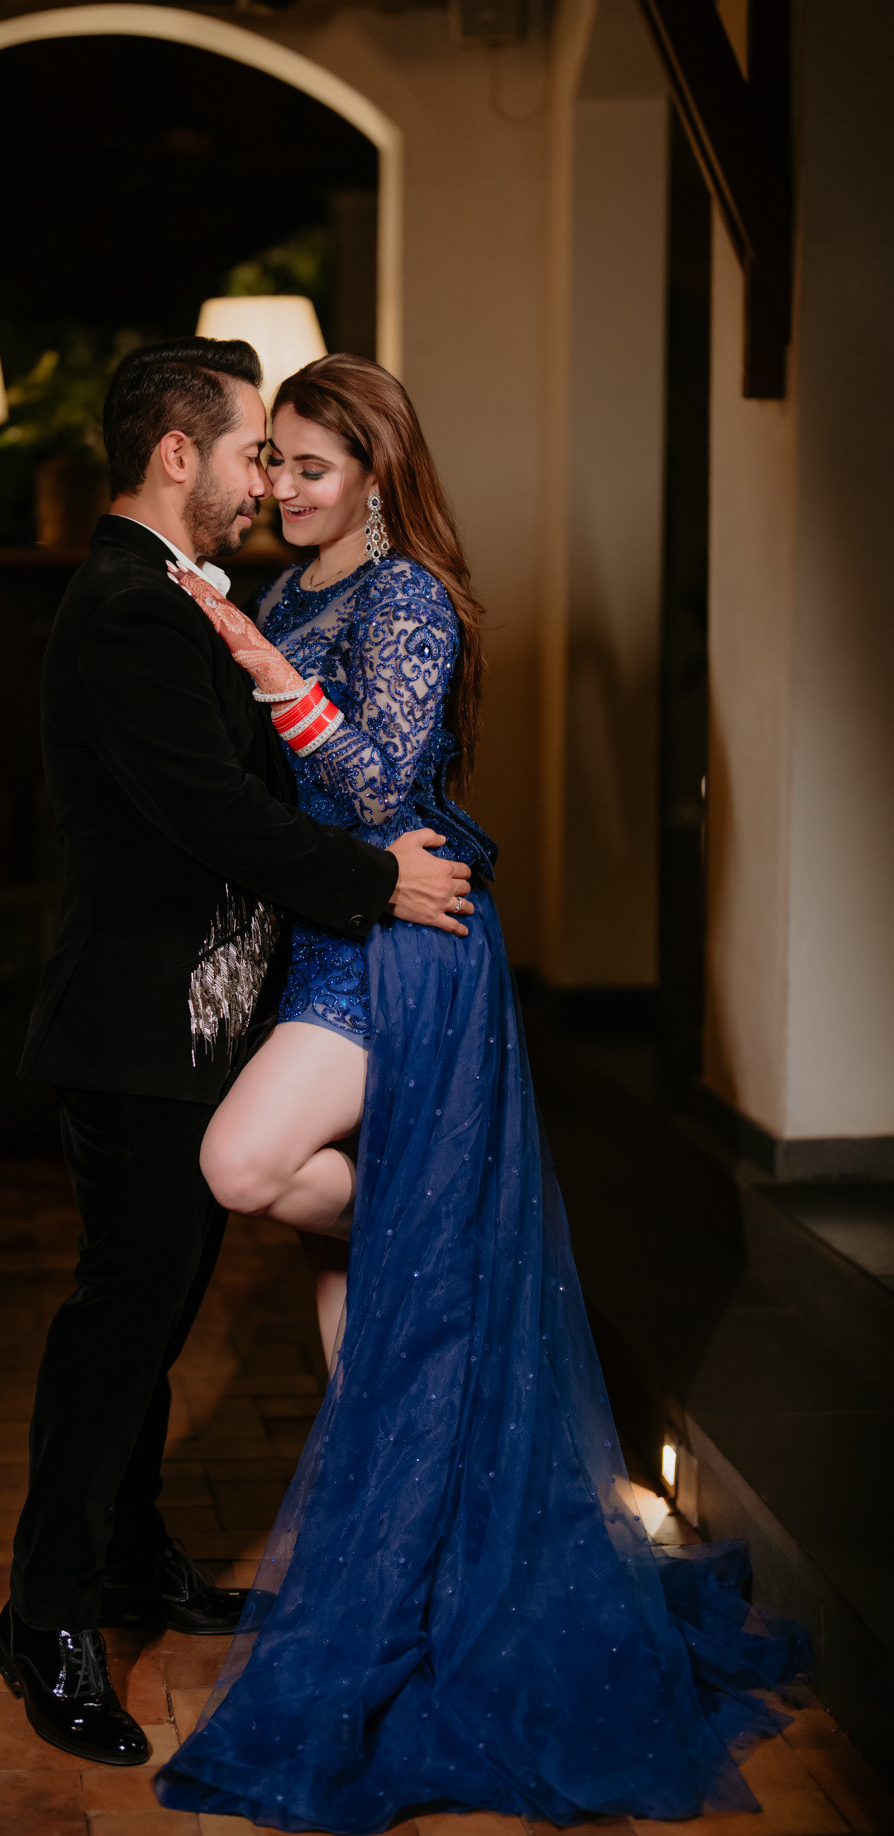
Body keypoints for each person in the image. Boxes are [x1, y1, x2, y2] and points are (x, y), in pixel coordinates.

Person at [157, 354, 807, 1831]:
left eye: (311, 467)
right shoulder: (293, 588)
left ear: (376, 478)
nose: (282, 488)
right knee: (361, 1316)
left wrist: (256, 663)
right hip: (326, 935)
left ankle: (444, 1229)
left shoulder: (408, 601)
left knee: (243, 1165)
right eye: (275, 464)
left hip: (404, 949)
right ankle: (413, 1574)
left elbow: (379, 789)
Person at [0, 337, 478, 1769]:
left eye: (285, 455)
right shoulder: (130, 609)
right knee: (116, 1328)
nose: (262, 477)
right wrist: (375, 881)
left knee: (152, 1323)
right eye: (250, 449)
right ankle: (46, 1617)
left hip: (192, 1029)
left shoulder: (181, 594)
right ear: (175, 455)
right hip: (138, 1028)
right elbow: (213, 811)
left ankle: (128, 1555)